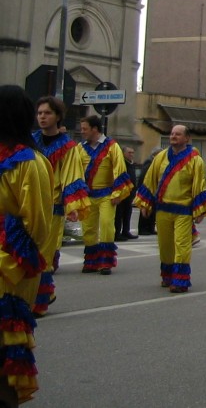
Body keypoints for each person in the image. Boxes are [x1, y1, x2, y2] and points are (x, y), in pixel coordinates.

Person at [0, 86, 54, 405]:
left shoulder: (30, 162)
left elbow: (37, 226)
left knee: (5, 347)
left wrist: (12, 263)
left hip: (11, 263)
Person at [134, 124, 206, 292]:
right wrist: (145, 204)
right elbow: (150, 180)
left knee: (182, 245)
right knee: (165, 245)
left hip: (183, 210)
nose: (173, 136)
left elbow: (199, 185)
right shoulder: (160, 157)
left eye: (177, 134)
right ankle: (168, 276)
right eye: (172, 134)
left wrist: (200, 210)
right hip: (162, 209)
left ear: (187, 138)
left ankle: (180, 281)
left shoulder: (195, 160)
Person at [32, 96, 89, 316]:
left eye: (47, 113)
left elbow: (72, 176)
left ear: (57, 116)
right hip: (29, 206)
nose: (42, 117)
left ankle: (40, 300)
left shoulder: (68, 146)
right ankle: (37, 294)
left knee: (44, 256)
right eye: (39, 113)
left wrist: (72, 205)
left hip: (51, 207)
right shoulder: (30, 140)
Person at [78, 114, 133, 274]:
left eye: (85, 129)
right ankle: (91, 260)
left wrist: (117, 192)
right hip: (88, 195)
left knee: (107, 225)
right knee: (88, 228)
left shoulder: (111, 146)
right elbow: (75, 171)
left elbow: (119, 169)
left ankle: (105, 261)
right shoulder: (80, 148)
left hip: (106, 195)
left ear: (95, 129)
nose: (82, 132)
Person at [114, 146, 139, 241]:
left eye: (132, 152)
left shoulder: (131, 164)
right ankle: (117, 233)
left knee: (127, 213)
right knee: (119, 214)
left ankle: (126, 231)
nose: (131, 155)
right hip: (122, 193)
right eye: (129, 153)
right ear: (123, 153)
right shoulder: (121, 163)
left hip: (130, 194)